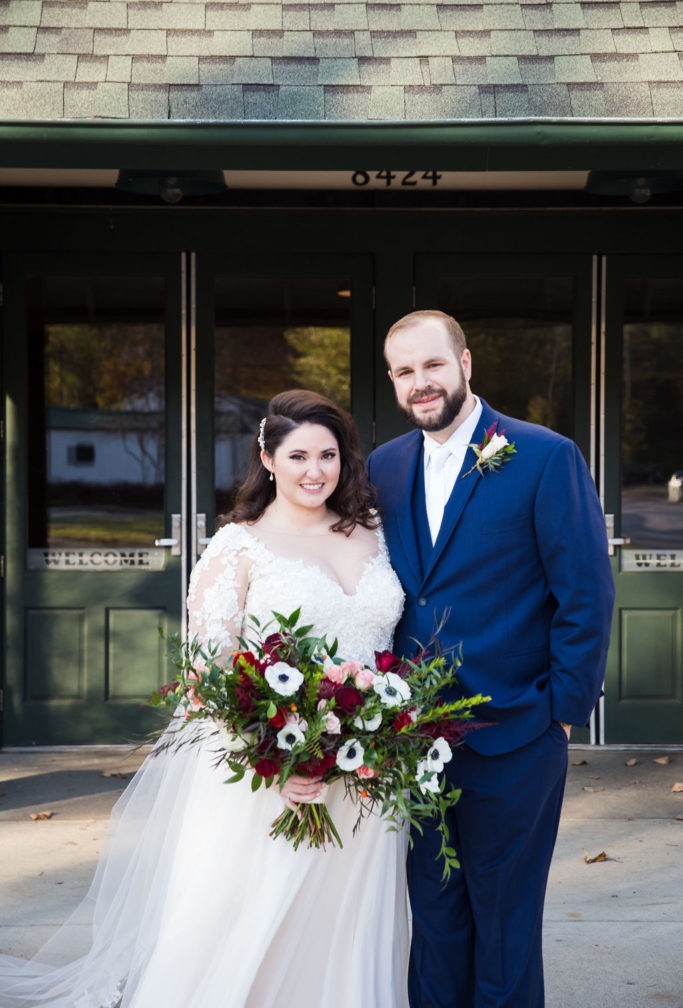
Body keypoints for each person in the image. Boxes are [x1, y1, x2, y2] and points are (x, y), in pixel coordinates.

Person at [0, 389, 409, 1008]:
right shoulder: (238, 547)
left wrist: (384, 727)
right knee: (254, 929)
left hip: (368, 773)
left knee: (348, 927)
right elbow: (209, 677)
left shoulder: (373, 533)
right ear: (267, 458)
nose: (315, 471)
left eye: (329, 455)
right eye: (298, 456)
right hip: (270, 777)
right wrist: (280, 763)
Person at [367, 310, 615, 1008]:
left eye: (432, 365)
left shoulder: (542, 455)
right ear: (392, 381)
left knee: (503, 920)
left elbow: (585, 595)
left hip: (516, 730)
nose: (421, 383)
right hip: (408, 738)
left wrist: (559, 713)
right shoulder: (382, 467)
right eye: (404, 371)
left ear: (465, 363)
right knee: (435, 916)